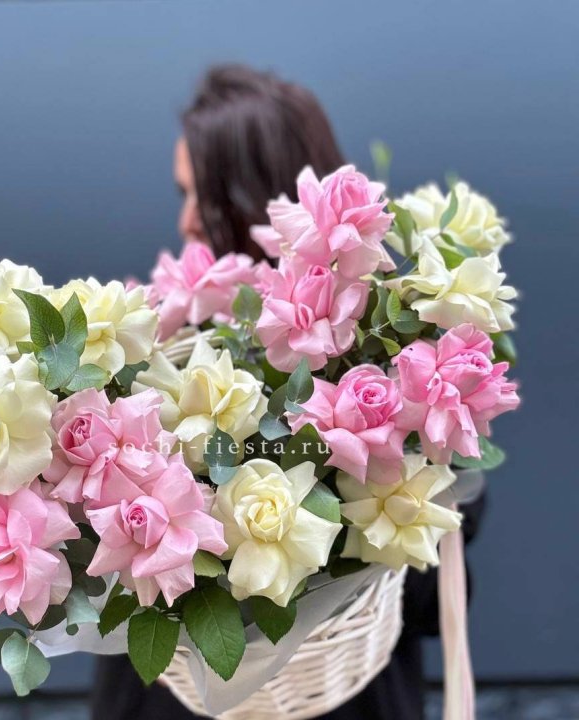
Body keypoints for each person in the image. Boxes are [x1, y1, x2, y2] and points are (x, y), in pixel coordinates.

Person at [91, 64, 484, 720]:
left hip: (340, 697)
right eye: (182, 194)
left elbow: (429, 601)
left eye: (206, 196)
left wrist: (388, 497)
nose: (186, 221)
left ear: (259, 195)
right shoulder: (157, 350)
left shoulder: (396, 352)